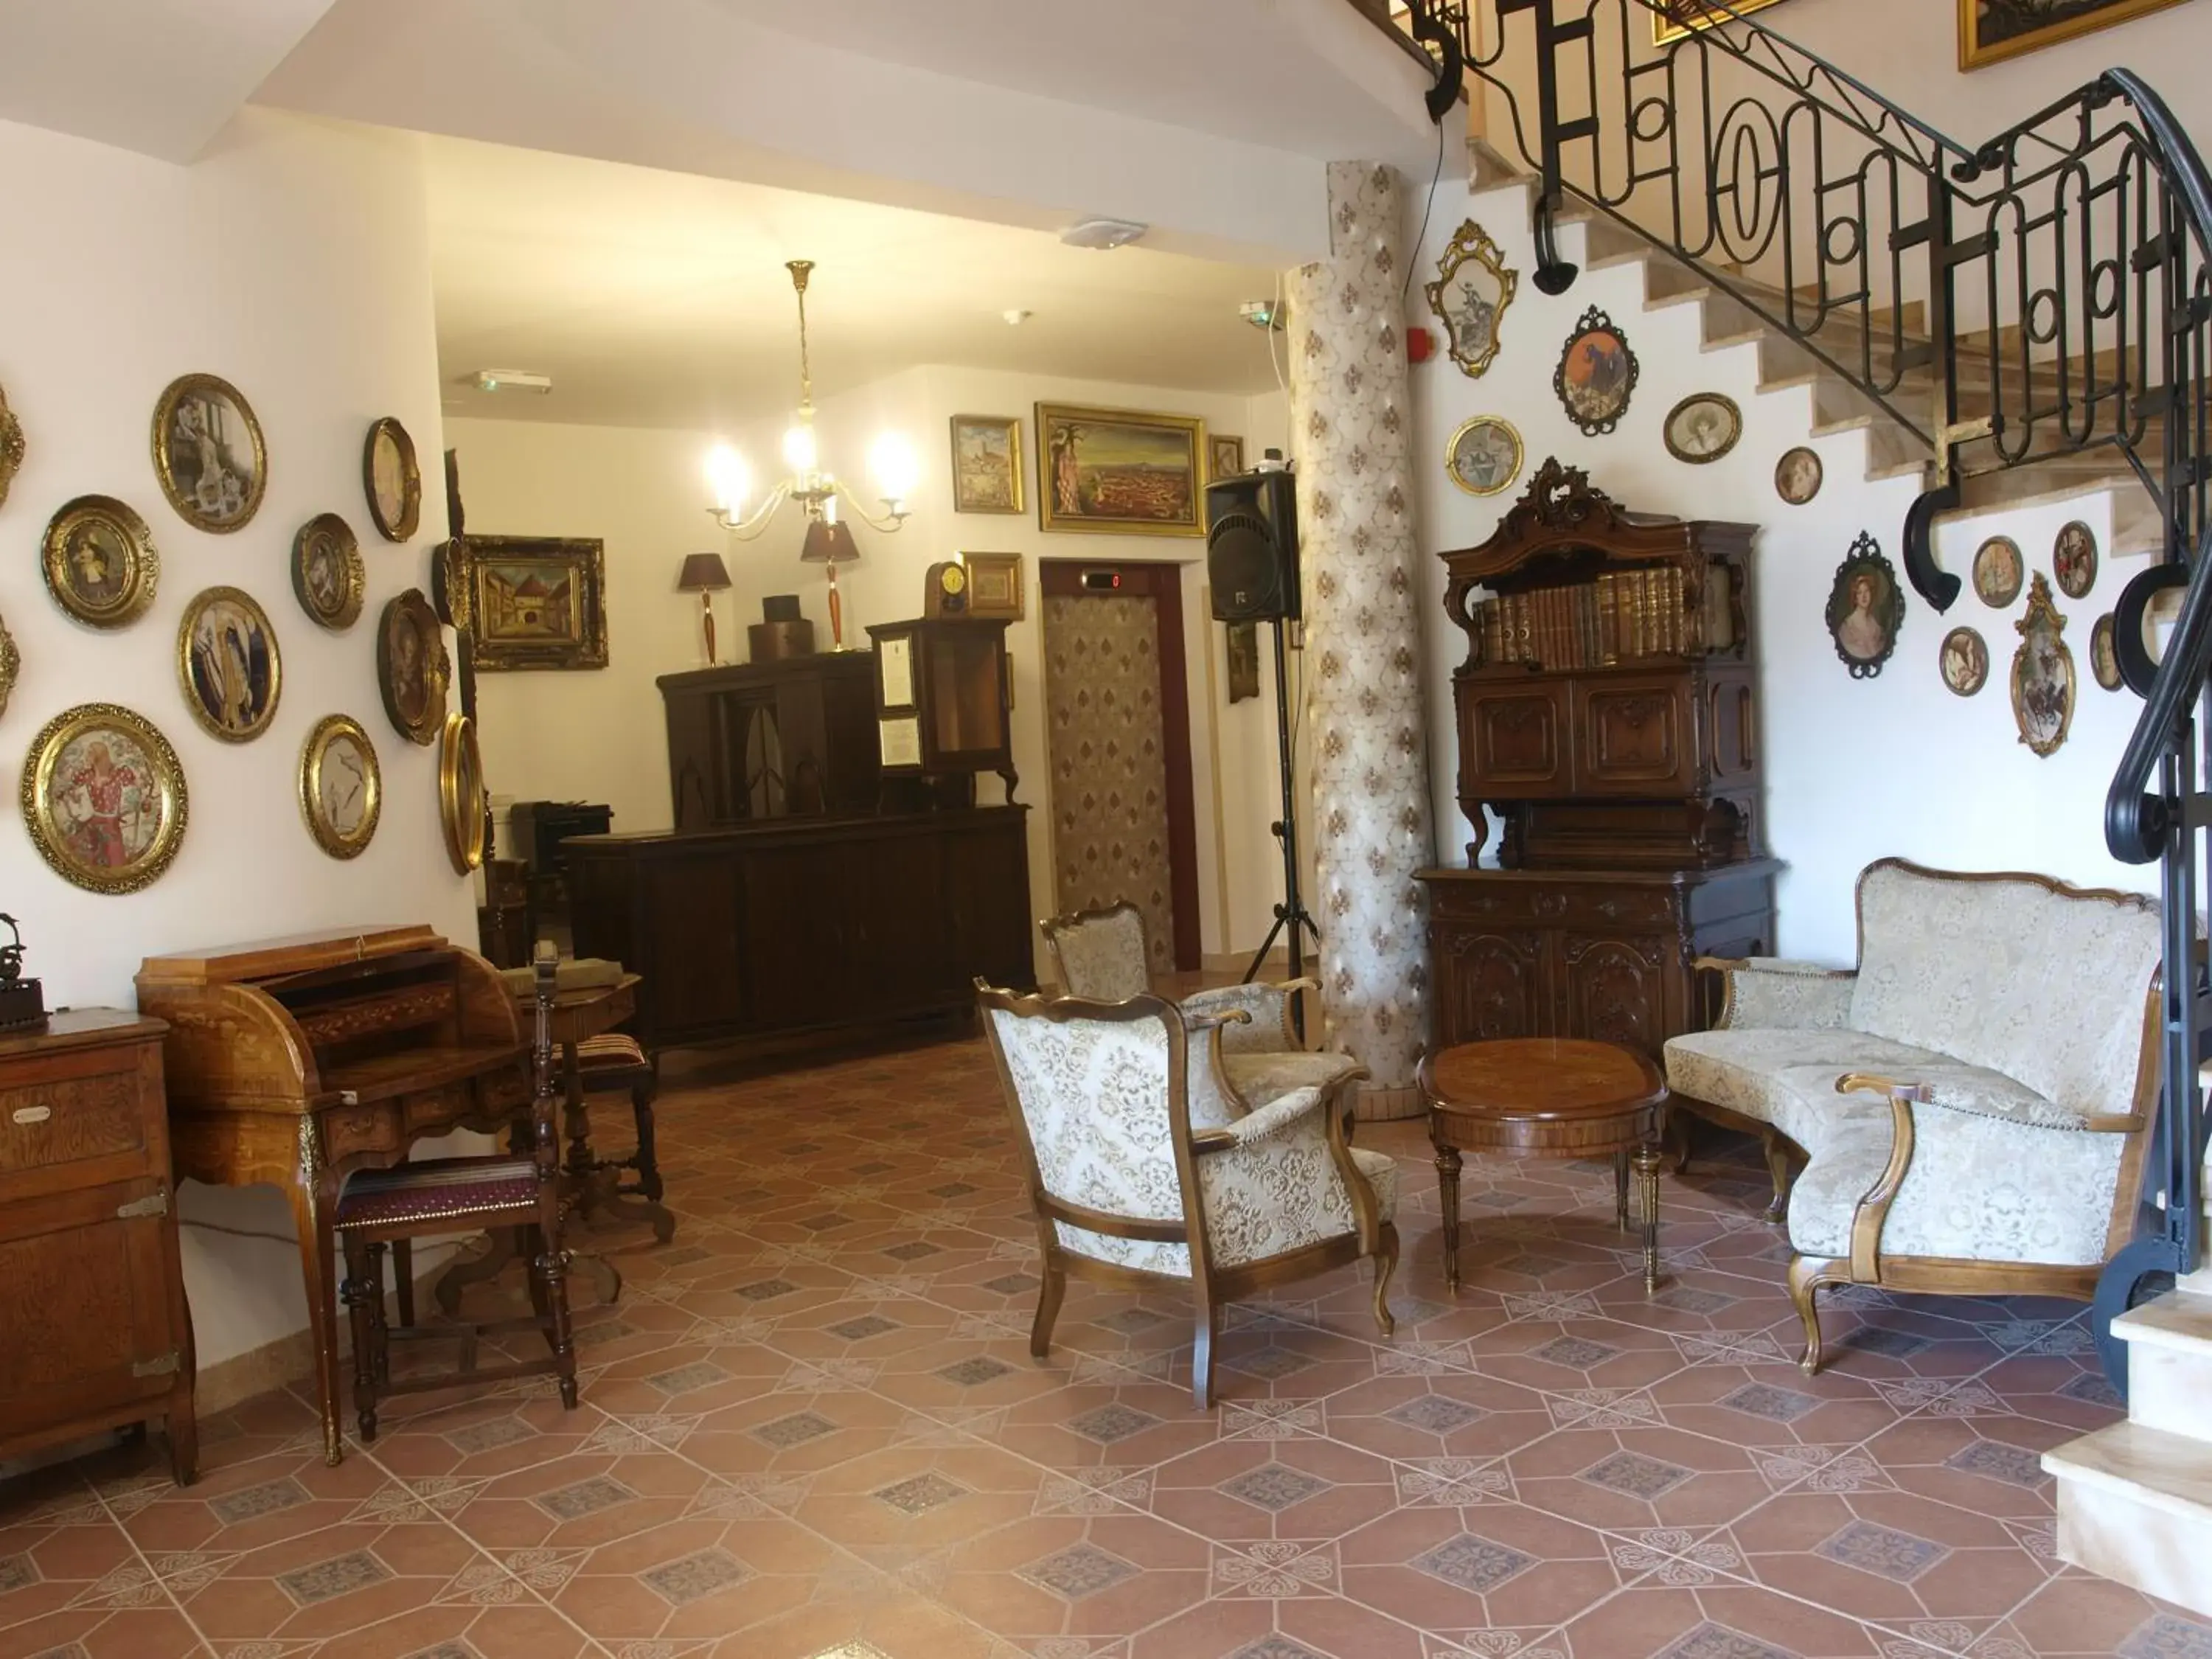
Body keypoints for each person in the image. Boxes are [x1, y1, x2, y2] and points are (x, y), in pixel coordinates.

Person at [1837, 571, 1888, 661]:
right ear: (1855, 598)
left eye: (1867, 591)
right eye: (1859, 593)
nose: (1864, 596)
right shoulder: (1848, 626)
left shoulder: (1874, 625)